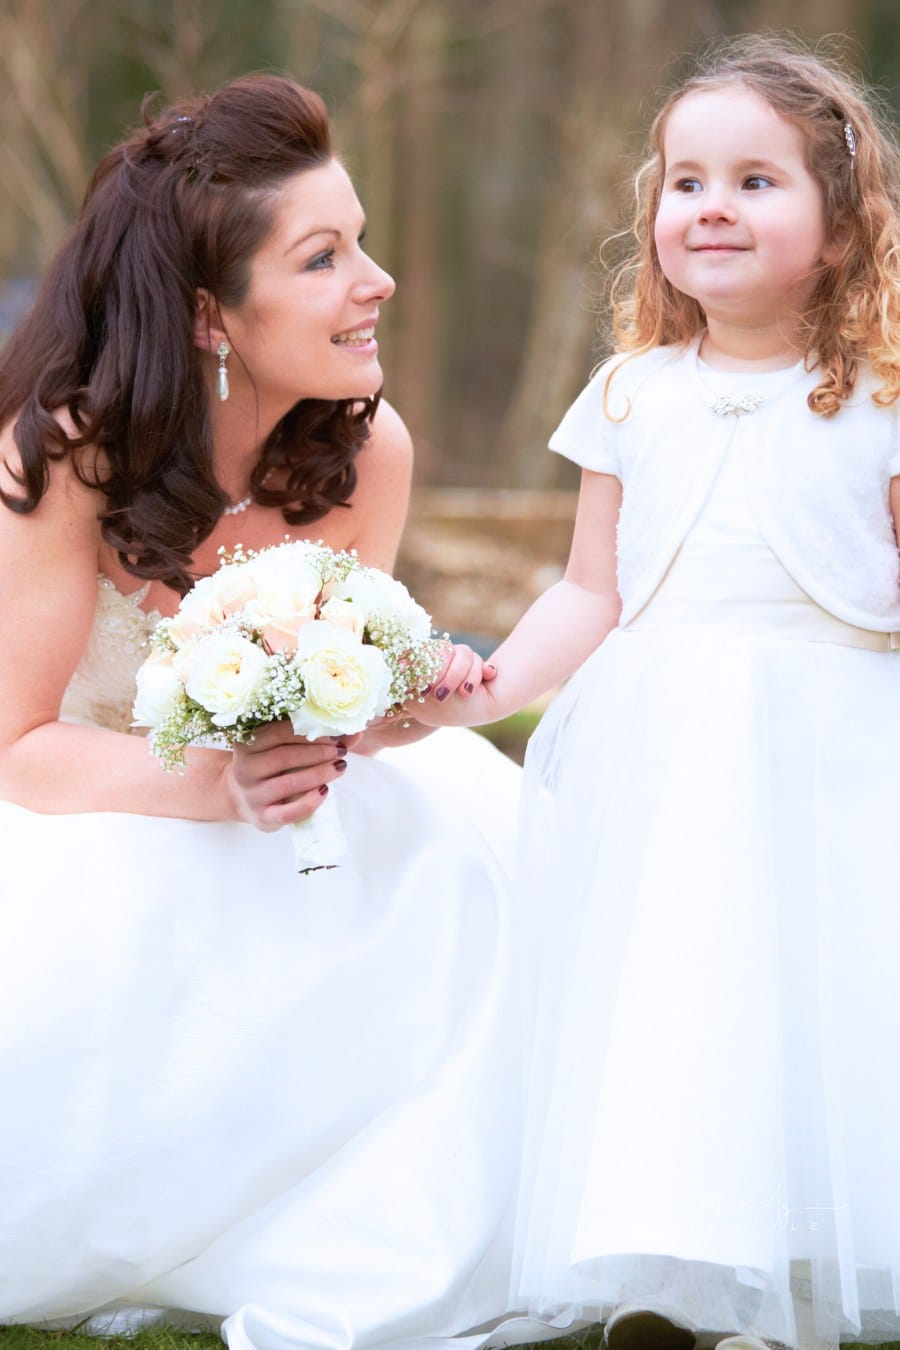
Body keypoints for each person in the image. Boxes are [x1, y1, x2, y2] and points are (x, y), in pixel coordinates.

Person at [0, 74, 525, 1350]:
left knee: (456, 868)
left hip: (281, 804)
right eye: (326, 255)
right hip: (81, 802)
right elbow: (16, 743)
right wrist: (207, 789)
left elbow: (335, 695)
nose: (380, 279)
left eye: (364, 243)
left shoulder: (364, 449)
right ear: (207, 316)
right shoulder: (62, 454)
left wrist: (406, 702)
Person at [420, 34, 900, 1350]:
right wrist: (488, 686)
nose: (711, 207)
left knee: (819, 1003)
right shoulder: (631, 393)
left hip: (837, 749)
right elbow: (591, 589)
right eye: (686, 181)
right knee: (674, 994)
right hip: (662, 741)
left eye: (756, 180)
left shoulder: (882, 400)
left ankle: (798, 1268)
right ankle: (675, 1274)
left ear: (845, 219)